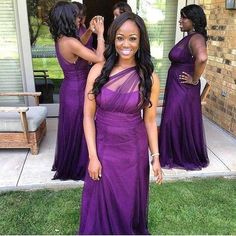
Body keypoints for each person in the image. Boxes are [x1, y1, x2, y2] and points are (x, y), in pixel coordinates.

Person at [79, 12, 163, 234]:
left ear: (140, 40)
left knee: (127, 200)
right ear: (113, 39)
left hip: (133, 151)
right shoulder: (98, 71)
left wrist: (155, 157)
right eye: (120, 38)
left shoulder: (150, 77)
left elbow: (150, 120)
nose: (126, 44)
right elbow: (88, 116)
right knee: (101, 198)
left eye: (132, 38)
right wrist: (93, 156)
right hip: (104, 148)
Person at [48, 1, 105, 180]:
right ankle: (80, 166)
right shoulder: (70, 42)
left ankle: (73, 162)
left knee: (74, 128)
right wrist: (101, 34)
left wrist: (89, 30)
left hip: (69, 88)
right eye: (74, 15)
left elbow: (80, 43)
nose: (77, 18)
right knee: (82, 126)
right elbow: (98, 58)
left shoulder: (62, 39)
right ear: (67, 18)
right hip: (78, 89)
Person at [159, 4, 209, 170]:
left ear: (193, 20)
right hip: (179, 85)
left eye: (184, 17)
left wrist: (195, 79)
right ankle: (175, 153)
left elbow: (202, 58)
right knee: (178, 119)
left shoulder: (196, 38)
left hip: (184, 86)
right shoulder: (190, 37)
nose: (180, 20)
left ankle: (179, 155)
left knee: (174, 118)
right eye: (180, 16)